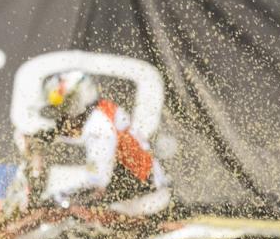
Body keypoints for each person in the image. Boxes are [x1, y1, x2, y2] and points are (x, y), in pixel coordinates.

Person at [13, 70, 169, 217]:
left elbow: (96, 187)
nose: (62, 114)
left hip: (142, 205)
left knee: (60, 222)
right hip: (137, 194)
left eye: (66, 106)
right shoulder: (101, 111)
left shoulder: (99, 128)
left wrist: (56, 199)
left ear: (80, 100)